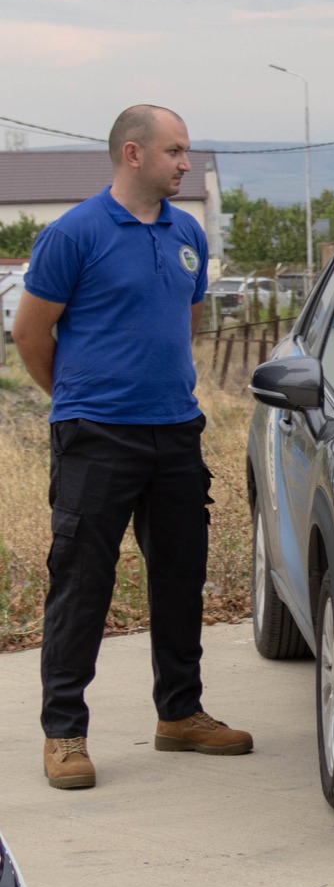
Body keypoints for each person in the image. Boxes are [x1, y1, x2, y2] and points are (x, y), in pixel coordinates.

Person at [12, 105, 254, 791]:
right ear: (133, 153)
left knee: (180, 575)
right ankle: (64, 732)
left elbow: (187, 318)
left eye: (186, 151)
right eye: (175, 151)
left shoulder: (187, 233)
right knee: (82, 581)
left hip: (175, 430)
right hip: (96, 436)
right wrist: (78, 398)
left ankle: (179, 714)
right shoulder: (74, 234)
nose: (186, 164)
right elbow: (29, 333)